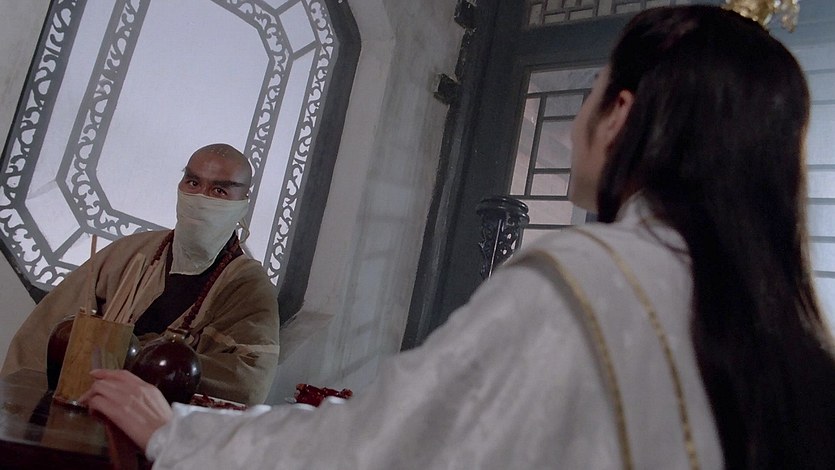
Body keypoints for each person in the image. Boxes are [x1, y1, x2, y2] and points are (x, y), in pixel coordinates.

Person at [81, 5, 835, 469]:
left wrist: (180, 437)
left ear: (621, 116)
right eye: (192, 182)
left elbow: (389, 447)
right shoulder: (788, 331)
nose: (201, 198)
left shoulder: (591, 278)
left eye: (595, 90)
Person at [2, 144, 280, 405]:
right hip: (77, 408)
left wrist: (140, 355)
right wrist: (24, 404)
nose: (201, 198)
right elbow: (45, 333)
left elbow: (249, 380)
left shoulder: (248, 287)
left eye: (219, 191)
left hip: (158, 429)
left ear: (243, 203)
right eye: (193, 183)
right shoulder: (129, 253)